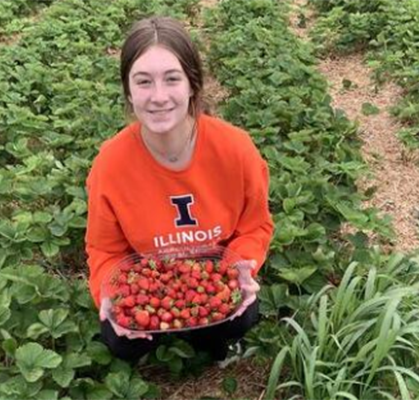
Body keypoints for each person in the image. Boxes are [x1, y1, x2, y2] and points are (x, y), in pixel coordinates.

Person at [85, 16, 274, 363]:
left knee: (239, 315)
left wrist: (242, 266)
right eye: (143, 82)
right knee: (120, 338)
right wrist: (108, 292)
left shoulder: (236, 149)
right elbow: (104, 250)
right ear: (128, 90)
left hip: (215, 274)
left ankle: (213, 338)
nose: (158, 97)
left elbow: (256, 226)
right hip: (151, 279)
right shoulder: (110, 165)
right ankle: (160, 338)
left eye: (172, 79)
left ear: (192, 85)